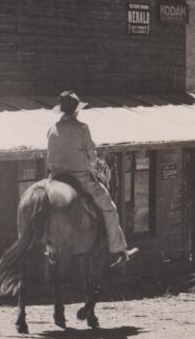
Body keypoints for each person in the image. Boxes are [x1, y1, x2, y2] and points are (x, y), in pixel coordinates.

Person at [46, 91, 138, 267]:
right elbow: (92, 158)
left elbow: (50, 157)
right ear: (76, 111)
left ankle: (48, 248)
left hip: (55, 178)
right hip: (80, 178)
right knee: (110, 208)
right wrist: (93, 162)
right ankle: (118, 249)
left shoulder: (52, 130)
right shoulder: (82, 128)